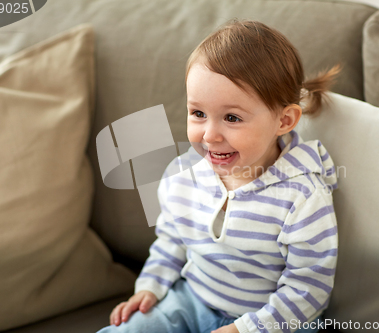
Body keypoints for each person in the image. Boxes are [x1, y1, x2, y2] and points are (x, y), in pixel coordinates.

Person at [97, 18, 341, 333]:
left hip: (270, 322)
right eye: (198, 113)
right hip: (192, 302)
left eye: (232, 117)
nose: (210, 135)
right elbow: (171, 241)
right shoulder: (182, 176)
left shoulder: (303, 196)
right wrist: (150, 287)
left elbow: (308, 288)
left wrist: (246, 329)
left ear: (284, 121)